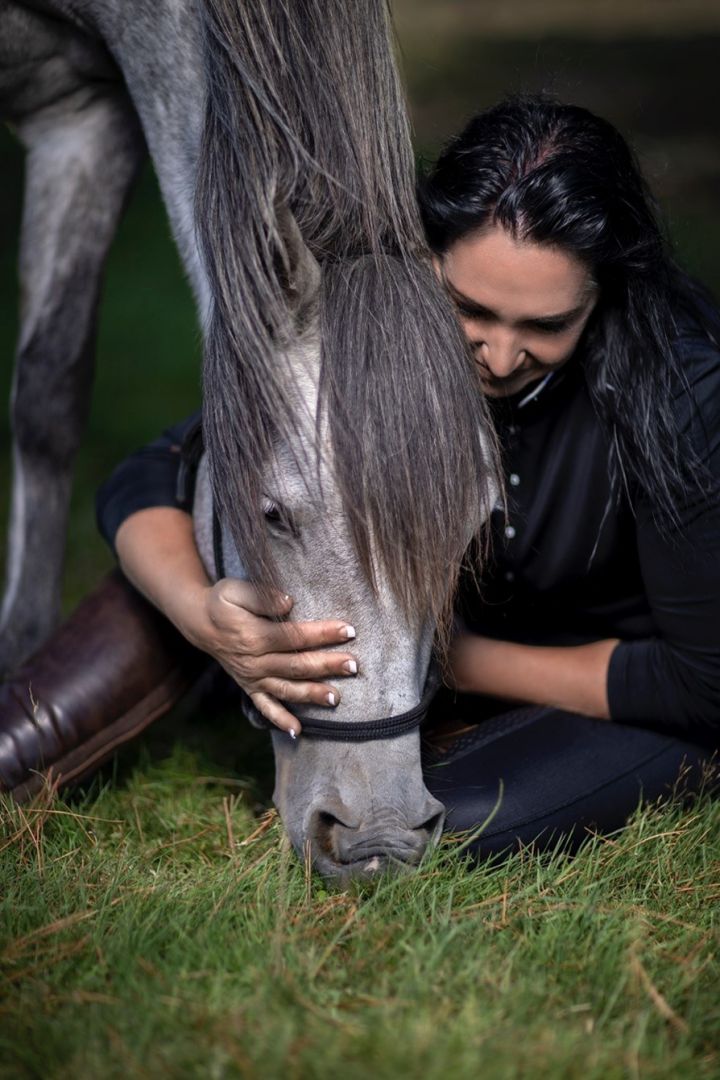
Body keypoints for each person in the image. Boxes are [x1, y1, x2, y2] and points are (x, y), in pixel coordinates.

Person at [2, 96, 718, 855]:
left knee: (436, 820)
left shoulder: (684, 395)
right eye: (470, 310)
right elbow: (153, 476)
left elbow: (701, 680)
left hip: (636, 699)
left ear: (601, 296)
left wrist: (448, 660)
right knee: (201, 558)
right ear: (427, 265)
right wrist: (199, 611)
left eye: (547, 326)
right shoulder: (391, 332)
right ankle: (14, 747)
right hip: (418, 665)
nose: (501, 358)